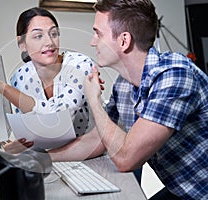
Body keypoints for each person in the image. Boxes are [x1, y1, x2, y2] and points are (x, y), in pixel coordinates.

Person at [49, 0, 208, 199]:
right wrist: (43, 158)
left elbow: (126, 159)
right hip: (181, 190)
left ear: (124, 41)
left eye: (98, 33)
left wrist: (94, 101)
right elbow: (99, 139)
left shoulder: (175, 75)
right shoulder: (124, 83)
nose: (92, 41)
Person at [0, 7, 94, 149]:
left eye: (53, 34)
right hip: (56, 156)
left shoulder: (80, 65)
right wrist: (21, 146)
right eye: (38, 36)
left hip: (91, 154)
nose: (50, 42)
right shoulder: (20, 78)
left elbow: (57, 119)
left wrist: (3, 88)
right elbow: (36, 131)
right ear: (22, 43)